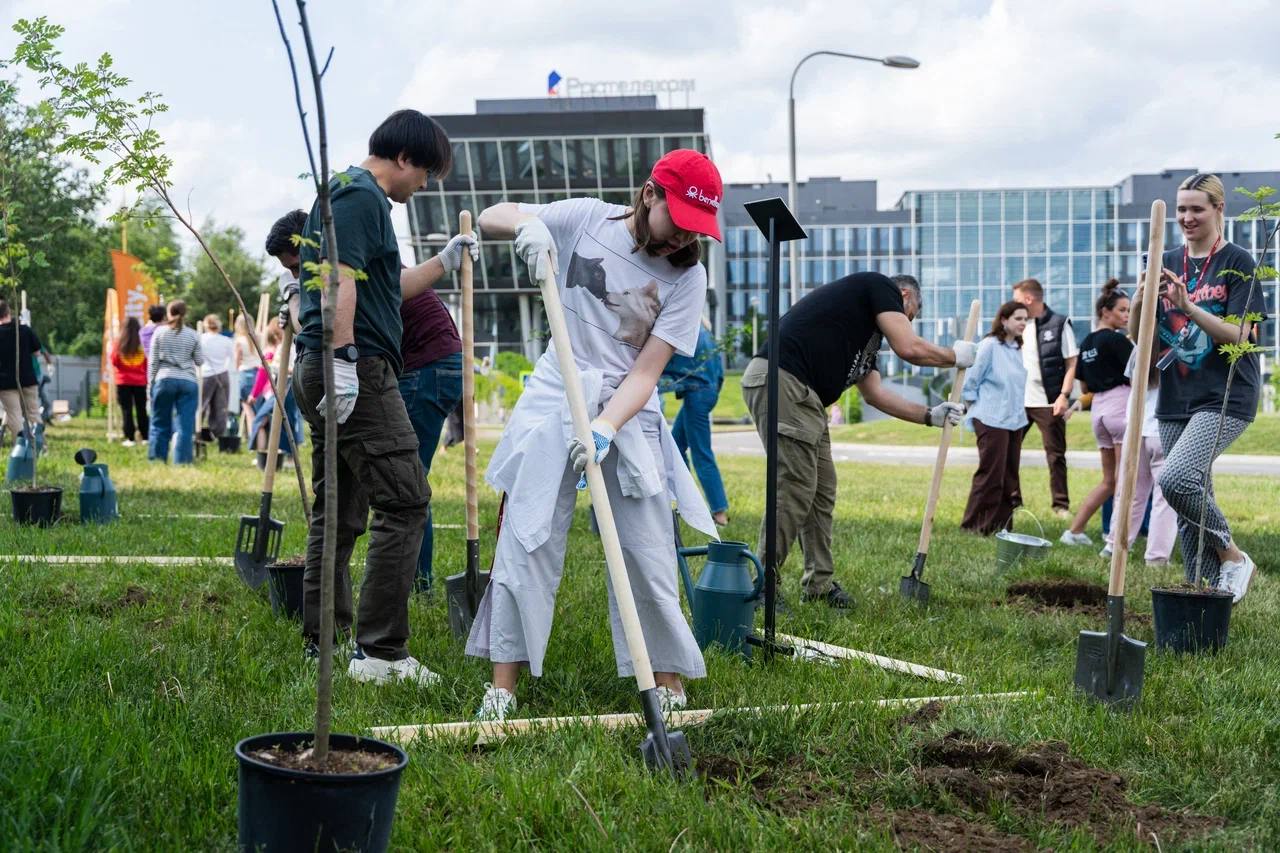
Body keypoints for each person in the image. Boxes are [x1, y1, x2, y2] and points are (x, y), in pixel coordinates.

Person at [465, 148, 725, 722]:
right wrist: (532, 227)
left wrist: (606, 425)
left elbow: (647, 372)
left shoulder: (689, 276)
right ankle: (502, 687)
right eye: (679, 219)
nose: (685, 236)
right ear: (650, 194)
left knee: (648, 546)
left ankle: (666, 682)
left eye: (696, 227)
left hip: (628, 404)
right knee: (528, 534)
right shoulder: (585, 217)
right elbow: (490, 214)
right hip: (557, 387)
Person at [292, 109, 470, 683]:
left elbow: (386, 289)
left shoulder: (349, 195)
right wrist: (345, 358)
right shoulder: (360, 196)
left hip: (329, 364)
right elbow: (338, 279)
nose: (424, 187)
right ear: (403, 157)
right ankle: (381, 653)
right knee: (405, 500)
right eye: (426, 174)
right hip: (356, 367)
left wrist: (444, 261)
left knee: (339, 511)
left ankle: (323, 642)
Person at [741, 273, 973, 608]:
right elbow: (909, 347)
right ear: (904, 296)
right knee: (795, 485)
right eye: (909, 316)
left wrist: (929, 415)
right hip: (783, 379)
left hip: (806, 396)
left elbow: (875, 395)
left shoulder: (866, 341)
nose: (906, 324)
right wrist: (953, 356)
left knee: (822, 490)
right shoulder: (879, 286)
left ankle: (819, 585)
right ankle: (762, 586)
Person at [1131, 173, 1267, 601]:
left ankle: (1233, 556)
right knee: (1189, 502)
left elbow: (1241, 334)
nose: (1187, 217)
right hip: (1175, 396)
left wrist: (1187, 305)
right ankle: (1201, 598)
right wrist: (1139, 300)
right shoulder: (1166, 259)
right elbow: (1141, 339)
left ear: (1218, 209)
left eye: (1196, 209)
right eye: (1181, 209)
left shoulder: (1237, 261)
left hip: (1226, 394)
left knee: (1177, 479)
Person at [397, 252, 471, 592]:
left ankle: (419, 583)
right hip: (434, 367)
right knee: (407, 479)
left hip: (426, 370)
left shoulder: (365, 267)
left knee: (407, 482)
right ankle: (417, 580)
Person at [1060, 281, 1133, 547]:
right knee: (1125, 480)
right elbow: (1139, 374)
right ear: (1105, 312)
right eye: (1122, 310)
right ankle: (1114, 540)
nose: (1127, 316)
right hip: (1119, 405)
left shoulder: (1088, 341)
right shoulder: (1117, 340)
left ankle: (1074, 531)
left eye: (1128, 310)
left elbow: (1084, 387)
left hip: (1098, 411)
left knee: (1109, 481)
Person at [960, 301, 1030, 535]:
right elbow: (971, 380)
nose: (1023, 323)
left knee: (1010, 478)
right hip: (990, 418)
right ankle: (974, 526)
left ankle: (1001, 527)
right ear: (1004, 320)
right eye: (1018, 318)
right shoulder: (989, 345)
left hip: (1014, 419)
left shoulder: (1017, 348)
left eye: (1025, 319)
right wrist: (975, 407)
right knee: (991, 475)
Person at [1012, 277, 1078, 517]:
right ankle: (1013, 501)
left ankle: (1061, 505)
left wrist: (1064, 396)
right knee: (1010, 453)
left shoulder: (1059, 324)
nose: (1014, 304)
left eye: (1017, 299)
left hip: (1049, 402)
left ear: (1029, 299)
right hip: (1019, 402)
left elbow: (1072, 363)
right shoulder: (1017, 325)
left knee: (1056, 455)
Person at [1108, 351, 1177, 564]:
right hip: (1165, 427)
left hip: (1136, 426)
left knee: (1129, 493)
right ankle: (1156, 557)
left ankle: (1114, 546)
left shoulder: (1140, 348)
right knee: (1164, 499)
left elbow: (1132, 381)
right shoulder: (1179, 347)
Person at [660, 317, 728, 526]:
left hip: (696, 394)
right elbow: (720, 374)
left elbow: (662, 362)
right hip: (706, 392)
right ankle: (687, 502)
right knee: (676, 446)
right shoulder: (705, 333)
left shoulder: (685, 329)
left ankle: (719, 513)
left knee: (701, 453)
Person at [147, 300, 203, 464]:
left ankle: (157, 458)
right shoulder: (193, 335)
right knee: (185, 425)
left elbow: (153, 361)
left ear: (168, 313)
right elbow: (199, 361)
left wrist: (150, 384)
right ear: (185, 314)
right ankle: (182, 460)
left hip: (164, 379)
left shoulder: (160, 332)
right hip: (188, 382)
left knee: (160, 422)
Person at [0, 298, 43, 445]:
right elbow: (37, 352)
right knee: (33, 413)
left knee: (14, 416)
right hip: (27, 378)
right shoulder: (24, 330)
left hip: (5, 382)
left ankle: (21, 447)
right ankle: (39, 446)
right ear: (8, 312)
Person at [111, 316, 149, 446]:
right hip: (140, 381)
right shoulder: (142, 343)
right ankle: (145, 436)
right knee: (141, 409)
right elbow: (147, 362)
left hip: (123, 381)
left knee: (126, 410)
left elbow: (114, 361)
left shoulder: (118, 343)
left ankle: (129, 438)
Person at [199, 314, 234, 437]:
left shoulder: (201, 339)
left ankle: (196, 431)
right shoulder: (226, 341)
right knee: (221, 406)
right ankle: (218, 434)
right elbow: (232, 358)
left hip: (205, 374)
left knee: (201, 405)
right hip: (222, 374)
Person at [233, 314, 262, 433]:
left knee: (249, 413)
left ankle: (252, 439)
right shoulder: (259, 337)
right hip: (259, 376)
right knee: (259, 412)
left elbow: (236, 362)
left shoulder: (239, 341)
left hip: (244, 375)